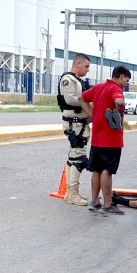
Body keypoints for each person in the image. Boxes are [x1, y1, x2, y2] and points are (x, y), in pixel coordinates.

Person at [79, 65, 131, 216]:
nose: (125, 83)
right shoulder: (115, 88)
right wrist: (119, 112)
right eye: (126, 80)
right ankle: (108, 204)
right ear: (121, 76)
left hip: (97, 138)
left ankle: (94, 201)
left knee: (96, 169)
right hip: (111, 139)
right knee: (107, 170)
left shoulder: (98, 87)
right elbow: (120, 102)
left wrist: (92, 114)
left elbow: (81, 98)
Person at [58, 53, 92, 206]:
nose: (87, 70)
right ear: (78, 63)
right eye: (86, 66)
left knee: (73, 156)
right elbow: (69, 99)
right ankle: (73, 193)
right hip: (75, 123)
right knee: (78, 155)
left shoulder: (78, 81)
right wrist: (86, 102)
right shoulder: (68, 80)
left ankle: (70, 192)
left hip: (79, 122)